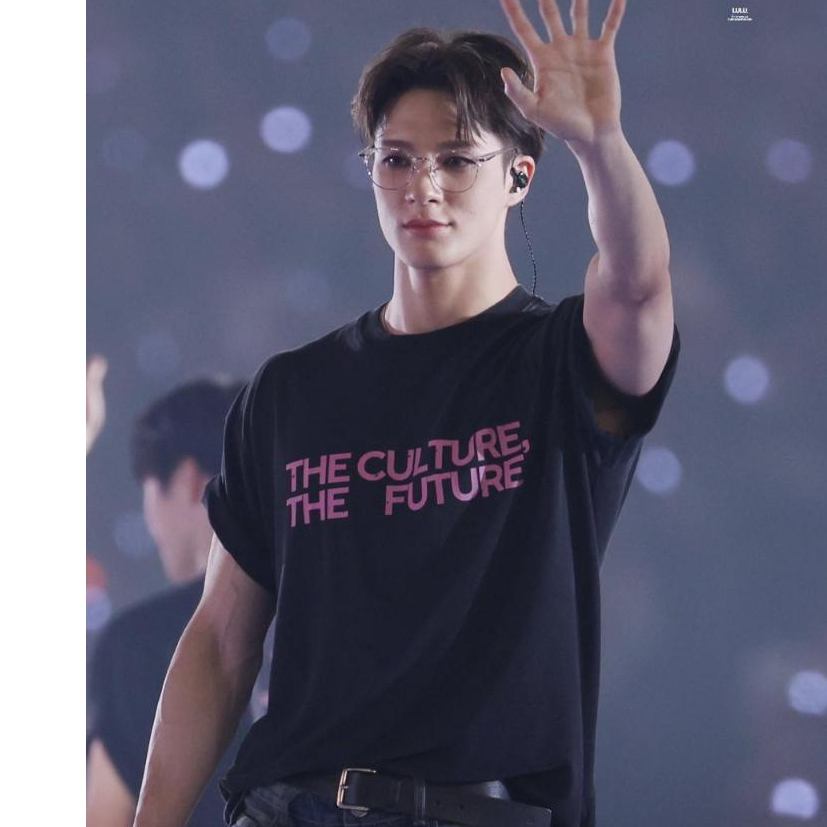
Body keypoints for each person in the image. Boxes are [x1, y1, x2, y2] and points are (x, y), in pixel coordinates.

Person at [134, 0, 681, 825]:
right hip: (290, 805)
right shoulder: (288, 393)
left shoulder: (562, 361)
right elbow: (218, 643)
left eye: (457, 160)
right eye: (396, 158)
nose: (423, 185)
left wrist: (599, 144)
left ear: (517, 177)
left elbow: (637, 286)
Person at [87, 377, 250, 827]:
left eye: (147, 492)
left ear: (187, 480)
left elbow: (105, 817)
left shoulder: (137, 644)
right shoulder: (316, 620)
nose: (151, 523)